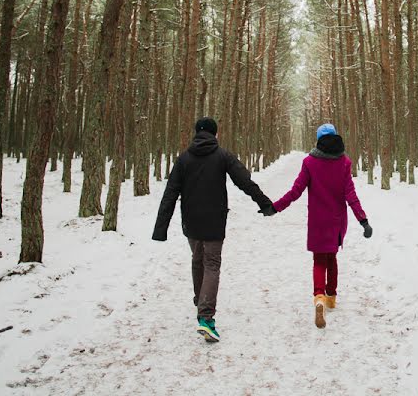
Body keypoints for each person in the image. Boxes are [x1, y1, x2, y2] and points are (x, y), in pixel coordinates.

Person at [152, 117, 273, 343]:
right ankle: (206, 317)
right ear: (215, 134)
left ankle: (201, 301)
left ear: (196, 133)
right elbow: (244, 181)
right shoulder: (223, 156)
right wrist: (264, 203)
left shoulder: (184, 159)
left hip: (190, 221)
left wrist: (161, 228)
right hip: (215, 221)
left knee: (198, 260)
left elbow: (170, 193)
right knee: (211, 264)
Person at [264, 123, 372, 329]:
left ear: (318, 140)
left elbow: (295, 192)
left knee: (318, 260)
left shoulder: (310, 162)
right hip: (337, 221)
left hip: (317, 221)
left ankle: (319, 297)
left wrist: (275, 208)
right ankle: (331, 296)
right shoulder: (344, 162)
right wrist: (363, 220)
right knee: (332, 257)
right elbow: (351, 195)